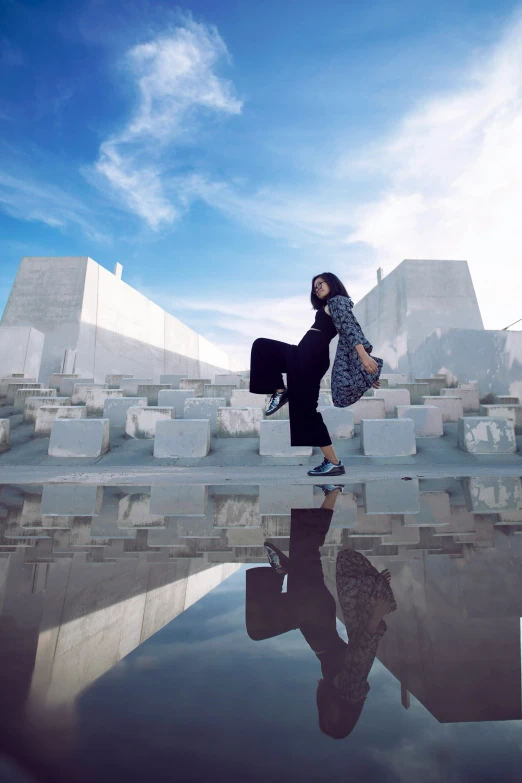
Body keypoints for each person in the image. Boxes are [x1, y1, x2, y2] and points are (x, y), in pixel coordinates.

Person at [245, 485, 395, 739]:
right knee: (258, 629)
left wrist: (373, 599)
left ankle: (328, 495)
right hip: (311, 616)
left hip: (310, 615)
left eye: (324, 718)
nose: (328, 714)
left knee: (305, 548)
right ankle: (281, 571)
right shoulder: (351, 692)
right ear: (342, 720)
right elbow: (362, 656)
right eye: (331, 721)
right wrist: (375, 616)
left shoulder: (338, 691)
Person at [249, 272, 383, 476]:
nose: (317, 288)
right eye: (314, 286)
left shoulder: (338, 301)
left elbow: (351, 330)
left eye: (321, 283)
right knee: (306, 411)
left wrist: (364, 359)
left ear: (332, 283)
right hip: (306, 357)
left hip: (308, 357)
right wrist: (365, 367)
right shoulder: (330, 305)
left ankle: (280, 390)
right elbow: (351, 329)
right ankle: (333, 463)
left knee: (261, 346)